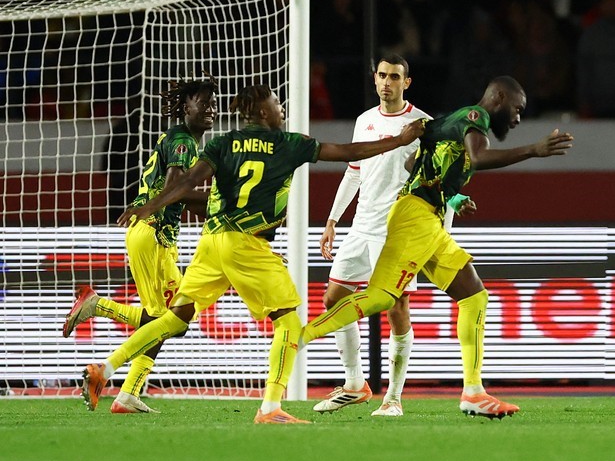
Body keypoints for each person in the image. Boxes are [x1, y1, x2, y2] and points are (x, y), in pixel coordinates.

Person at [81, 84, 424, 424]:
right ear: (263, 112)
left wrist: (151, 205)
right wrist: (399, 140)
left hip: (212, 241)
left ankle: (105, 368)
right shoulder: (288, 144)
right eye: (277, 104)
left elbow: (184, 185)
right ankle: (271, 407)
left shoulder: (221, 143)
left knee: (175, 316)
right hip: (247, 243)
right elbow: (349, 152)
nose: (282, 110)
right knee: (289, 322)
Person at [299, 76, 574, 419]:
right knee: (383, 296)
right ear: (499, 98)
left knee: (474, 296)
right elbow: (477, 158)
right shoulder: (476, 118)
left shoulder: (447, 120)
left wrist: (450, 195)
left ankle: (473, 392)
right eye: (517, 109)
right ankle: (299, 335)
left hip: (427, 217)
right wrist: (533, 150)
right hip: (415, 217)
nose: (517, 118)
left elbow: (412, 163)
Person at [312, 55, 475, 418]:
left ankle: (394, 398)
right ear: (375, 80)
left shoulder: (425, 125)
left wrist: (442, 225)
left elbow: (439, 180)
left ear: (407, 82)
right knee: (334, 299)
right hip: (361, 225)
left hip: (398, 230)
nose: (387, 82)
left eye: (394, 77)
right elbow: (354, 172)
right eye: (382, 76)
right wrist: (332, 219)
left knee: (397, 308)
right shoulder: (364, 121)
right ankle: (355, 385)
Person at [63, 76, 218, 414]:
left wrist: (209, 208)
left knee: (162, 319)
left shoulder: (181, 140)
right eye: (203, 101)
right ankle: (99, 311)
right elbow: (177, 186)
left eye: (213, 102)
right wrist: (224, 204)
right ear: (184, 106)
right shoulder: (183, 142)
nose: (211, 108)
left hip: (154, 234)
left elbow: (181, 196)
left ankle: (128, 393)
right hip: (152, 233)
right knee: (172, 320)